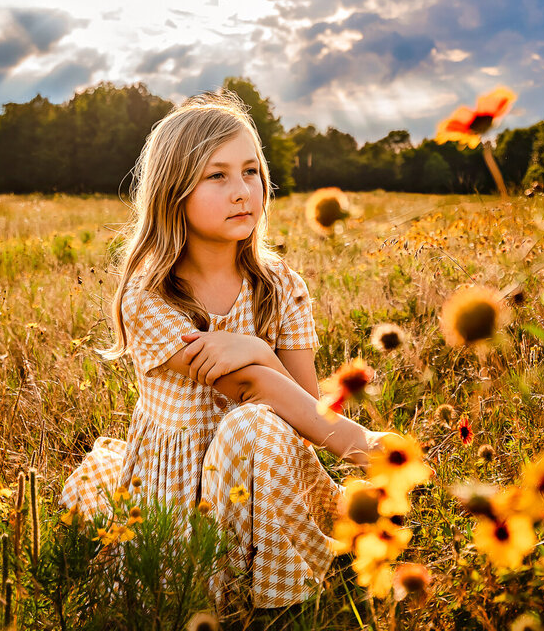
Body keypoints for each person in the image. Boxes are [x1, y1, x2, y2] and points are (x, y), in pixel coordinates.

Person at [59, 89, 383, 609]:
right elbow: (253, 387)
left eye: (251, 171)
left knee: (257, 426)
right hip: (178, 486)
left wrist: (254, 345)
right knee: (248, 421)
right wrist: (360, 444)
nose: (242, 192)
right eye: (217, 175)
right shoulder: (151, 296)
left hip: (269, 468)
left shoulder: (278, 284)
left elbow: (300, 402)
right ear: (173, 192)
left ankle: (284, 596)